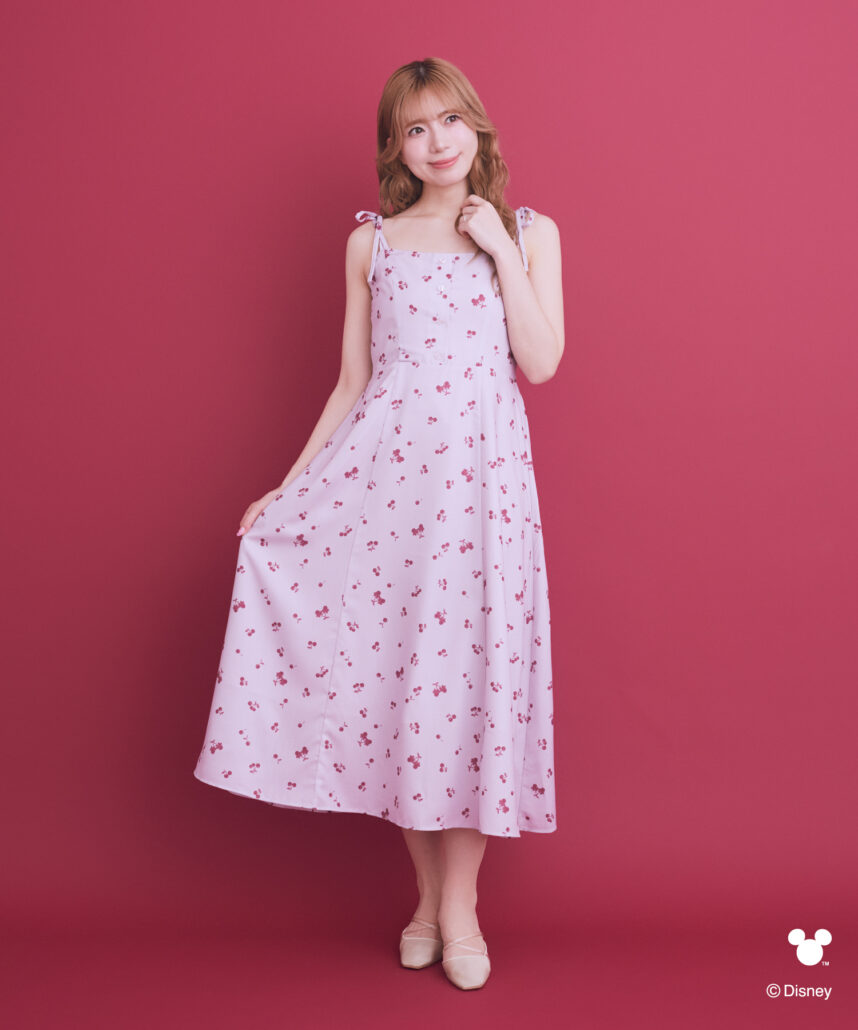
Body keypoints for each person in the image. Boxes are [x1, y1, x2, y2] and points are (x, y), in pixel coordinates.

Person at [193, 56, 565, 990]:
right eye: (415, 129)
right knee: (404, 689)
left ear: (478, 126)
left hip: (482, 496)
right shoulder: (372, 244)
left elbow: (541, 361)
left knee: (471, 687)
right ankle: (427, 901)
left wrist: (498, 248)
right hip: (385, 496)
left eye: (451, 121)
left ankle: (459, 910)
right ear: (395, 147)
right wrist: (286, 490)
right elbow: (353, 385)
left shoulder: (529, 232)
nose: (438, 142)